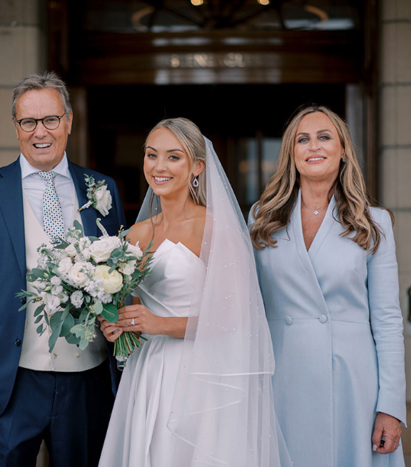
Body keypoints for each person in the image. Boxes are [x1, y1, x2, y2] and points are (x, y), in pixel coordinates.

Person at [0, 71, 126, 466]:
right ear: (16, 128)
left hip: (88, 377)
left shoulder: (102, 189)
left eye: (50, 119)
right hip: (8, 378)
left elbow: (119, 279)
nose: (41, 132)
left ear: (69, 121)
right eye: (28, 121)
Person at [98, 118, 291, 466]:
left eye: (173, 157)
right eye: (151, 155)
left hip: (201, 373)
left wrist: (157, 324)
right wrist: (117, 327)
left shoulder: (216, 228)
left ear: (197, 167)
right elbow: (135, 308)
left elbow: (234, 319)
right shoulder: (133, 236)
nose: (159, 167)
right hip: (149, 372)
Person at [249, 104, 407, 466]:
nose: (313, 146)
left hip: (352, 383)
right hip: (281, 376)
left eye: (324, 137)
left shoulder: (374, 223)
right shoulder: (261, 218)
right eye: (303, 139)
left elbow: (387, 321)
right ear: (292, 153)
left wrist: (391, 406)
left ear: (343, 151)